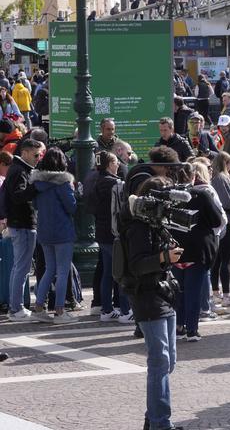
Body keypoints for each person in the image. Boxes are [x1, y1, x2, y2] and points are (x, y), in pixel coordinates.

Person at [123, 176, 185, 430]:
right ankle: (161, 423)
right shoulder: (138, 227)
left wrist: (169, 253)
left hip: (163, 293)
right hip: (146, 296)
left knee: (168, 360)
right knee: (159, 361)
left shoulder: (157, 224)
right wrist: (163, 256)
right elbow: (137, 265)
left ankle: (153, 417)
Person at [171, 163, 225, 342]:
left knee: (178, 290)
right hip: (197, 249)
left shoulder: (169, 194)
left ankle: (179, 326)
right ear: (193, 177)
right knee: (193, 291)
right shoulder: (201, 194)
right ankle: (192, 330)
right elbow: (217, 220)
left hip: (175, 250)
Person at [31, 148, 77, 324]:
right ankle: (59, 311)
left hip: (44, 230)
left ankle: (39, 307)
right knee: (63, 270)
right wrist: (75, 192)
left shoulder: (38, 183)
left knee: (49, 269)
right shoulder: (63, 183)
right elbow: (71, 207)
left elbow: (35, 204)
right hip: (62, 230)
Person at [85, 151, 132, 322]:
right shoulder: (116, 184)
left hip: (100, 230)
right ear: (108, 164)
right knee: (121, 272)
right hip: (115, 233)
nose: (118, 164)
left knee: (107, 272)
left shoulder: (92, 179)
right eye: (115, 162)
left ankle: (106, 310)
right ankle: (126, 311)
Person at [4, 139, 44, 321]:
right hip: (23, 224)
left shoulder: (18, 169)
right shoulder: (20, 171)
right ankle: (16, 307)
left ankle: (15, 306)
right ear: (26, 152)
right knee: (21, 267)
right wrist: (36, 187)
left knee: (19, 267)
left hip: (20, 223)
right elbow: (19, 196)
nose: (38, 158)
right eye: (36, 155)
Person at [210, 153, 230, 307]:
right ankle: (227, 294)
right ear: (225, 163)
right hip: (226, 222)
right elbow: (228, 202)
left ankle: (216, 292)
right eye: (229, 164)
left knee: (216, 260)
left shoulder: (213, 177)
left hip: (215, 223)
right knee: (226, 260)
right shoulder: (221, 178)